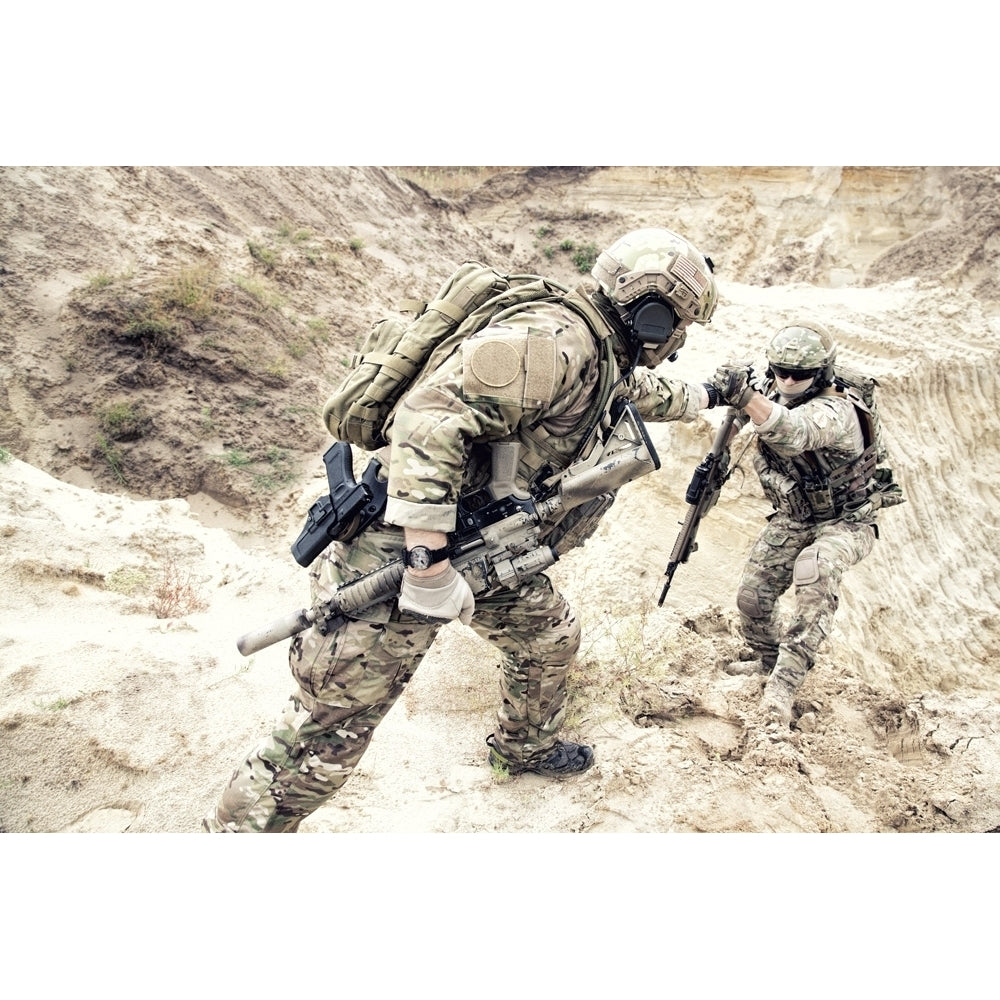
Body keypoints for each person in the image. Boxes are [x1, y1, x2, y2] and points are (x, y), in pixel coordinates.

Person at [204, 227, 720, 832]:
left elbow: (632, 393)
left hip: (480, 541)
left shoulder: (598, 349)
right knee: (327, 734)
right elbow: (427, 423)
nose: (677, 341)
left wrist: (712, 392)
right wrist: (427, 567)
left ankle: (524, 749)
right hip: (400, 553)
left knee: (547, 637)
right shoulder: (554, 340)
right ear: (653, 313)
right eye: (678, 324)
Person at [709, 321, 887, 728]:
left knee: (815, 572)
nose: (787, 380)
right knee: (752, 599)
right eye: (780, 371)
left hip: (847, 521)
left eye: (799, 374)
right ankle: (768, 660)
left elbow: (794, 432)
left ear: (821, 374)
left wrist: (748, 396)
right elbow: (739, 417)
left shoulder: (837, 408)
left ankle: (785, 684)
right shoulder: (770, 390)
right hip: (796, 515)